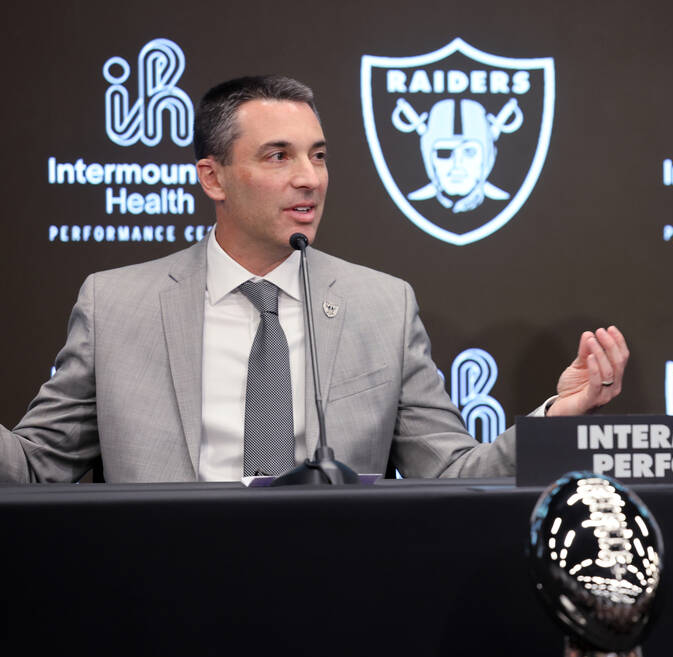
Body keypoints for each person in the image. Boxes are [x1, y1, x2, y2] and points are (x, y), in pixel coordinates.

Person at [0, 76, 628, 483]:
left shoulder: (380, 306)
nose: (309, 178)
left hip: (330, 596)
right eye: (279, 156)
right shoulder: (116, 305)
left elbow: (453, 473)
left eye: (318, 156)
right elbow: (34, 468)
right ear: (213, 178)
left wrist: (557, 415)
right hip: (161, 598)